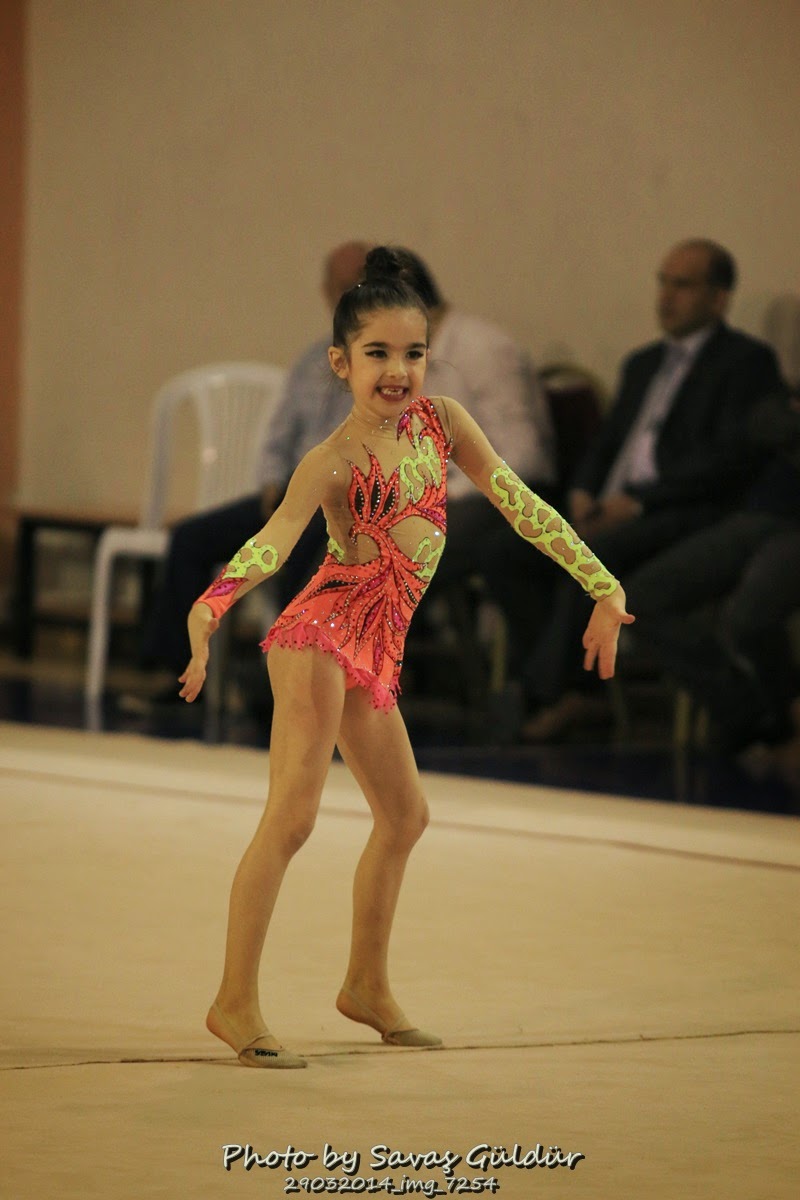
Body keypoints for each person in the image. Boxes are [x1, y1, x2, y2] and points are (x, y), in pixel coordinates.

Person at [179, 247, 632, 1068]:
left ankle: (366, 987)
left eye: (414, 352)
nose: (398, 371)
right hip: (319, 638)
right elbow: (275, 540)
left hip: (373, 649)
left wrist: (602, 583)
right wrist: (209, 608)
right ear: (341, 363)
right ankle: (233, 1000)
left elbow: (519, 503)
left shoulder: (443, 423)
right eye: (378, 353)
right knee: (293, 818)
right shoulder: (332, 461)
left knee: (405, 817)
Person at [138, 244, 555, 692]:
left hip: (486, 499)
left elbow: (522, 459)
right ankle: (294, 672)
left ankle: (322, 677)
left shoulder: (483, 349)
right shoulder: (383, 358)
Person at [517, 238, 784, 741]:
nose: (666, 297)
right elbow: (606, 441)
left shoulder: (746, 362)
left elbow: (727, 460)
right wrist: (583, 491)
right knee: (515, 549)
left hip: (683, 508)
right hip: (615, 505)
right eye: (663, 282)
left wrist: (639, 502)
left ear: (719, 298)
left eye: (682, 285)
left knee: (587, 558)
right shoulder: (643, 363)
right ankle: (571, 688)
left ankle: (548, 695)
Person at [623, 387, 800, 784]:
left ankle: (783, 719)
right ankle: (749, 713)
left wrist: (789, 430)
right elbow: (763, 420)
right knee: (640, 599)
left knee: (749, 619)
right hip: (758, 514)